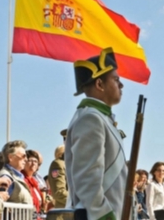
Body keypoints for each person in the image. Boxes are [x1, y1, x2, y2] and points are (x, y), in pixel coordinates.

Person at [64, 47, 126, 220]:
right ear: (99, 84)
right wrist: (104, 216)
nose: (121, 84)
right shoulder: (91, 118)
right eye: (115, 79)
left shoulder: (100, 118)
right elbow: (87, 180)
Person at [0, 140, 33, 205]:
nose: (26, 159)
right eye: (23, 156)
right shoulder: (5, 177)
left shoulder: (15, 176)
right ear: (11, 157)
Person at [48, 145, 68, 210]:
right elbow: (59, 192)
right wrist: (81, 199)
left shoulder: (70, 165)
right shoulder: (58, 164)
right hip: (65, 212)